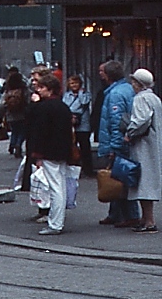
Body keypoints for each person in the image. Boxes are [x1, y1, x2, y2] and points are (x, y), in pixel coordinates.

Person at [25, 74, 75, 234]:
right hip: (62, 151)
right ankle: (57, 221)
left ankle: (55, 223)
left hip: (49, 151)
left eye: (41, 87)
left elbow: (38, 131)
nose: (38, 90)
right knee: (60, 185)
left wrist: (37, 154)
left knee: (55, 188)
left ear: (49, 89)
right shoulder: (62, 106)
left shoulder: (43, 108)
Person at [97, 60, 141, 228]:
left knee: (121, 177)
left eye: (102, 72)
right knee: (117, 177)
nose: (100, 74)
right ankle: (115, 213)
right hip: (125, 141)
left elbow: (116, 123)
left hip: (118, 143)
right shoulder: (127, 89)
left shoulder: (115, 94)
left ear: (108, 75)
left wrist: (114, 147)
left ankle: (131, 215)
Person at [125, 68, 162, 233]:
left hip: (143, 146)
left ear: (139, 84)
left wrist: (129, 133)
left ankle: (148, 221)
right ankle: (146, 219)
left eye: (134, 81)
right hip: (153, 143)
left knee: (143, 182)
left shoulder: (140, 99)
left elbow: (141, 120)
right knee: (149, 181)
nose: (132, 84)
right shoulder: (154, 98)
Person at [62, 74, 94, 177]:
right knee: (72, 147)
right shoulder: (67, 95)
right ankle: (73, 168)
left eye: (76, 83)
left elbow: (84, 102)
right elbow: (65, 105)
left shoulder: (86, 94)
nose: (74, 85)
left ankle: (88, 169)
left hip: (83, 124)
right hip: (71, 124)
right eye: (71, 83)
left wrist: (80, 94)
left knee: (85, 147)